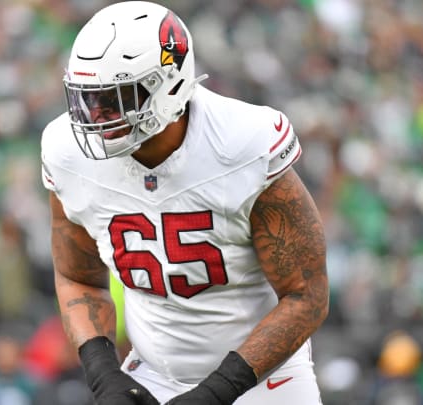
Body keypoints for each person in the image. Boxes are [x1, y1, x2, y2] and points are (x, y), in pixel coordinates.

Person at [40, 1, 330, 404]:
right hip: (152, 375)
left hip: (265, 379)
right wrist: (104, 374)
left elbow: (306, 295)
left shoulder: (242, 143)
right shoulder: (67, 152)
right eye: (86, 98)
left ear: (167, 86)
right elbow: (78, 278)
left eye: (114, 98)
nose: (94, 116)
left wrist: (215, 392)